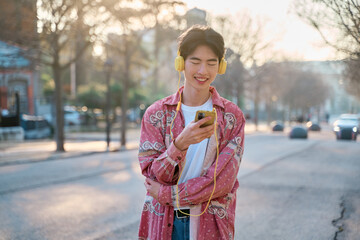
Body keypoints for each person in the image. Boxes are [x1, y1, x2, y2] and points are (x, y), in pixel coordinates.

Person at [138, 25, 245, 240]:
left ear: (221, 66)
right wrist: (178, 145)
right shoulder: (157, 114)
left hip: (210, 225)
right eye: (195, 62)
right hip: (163, 222)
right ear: (181, 62)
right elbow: (152, 175)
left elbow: (221, 182)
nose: (203, 71)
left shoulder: (231, 117)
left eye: (211, 63)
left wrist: (167, 194)